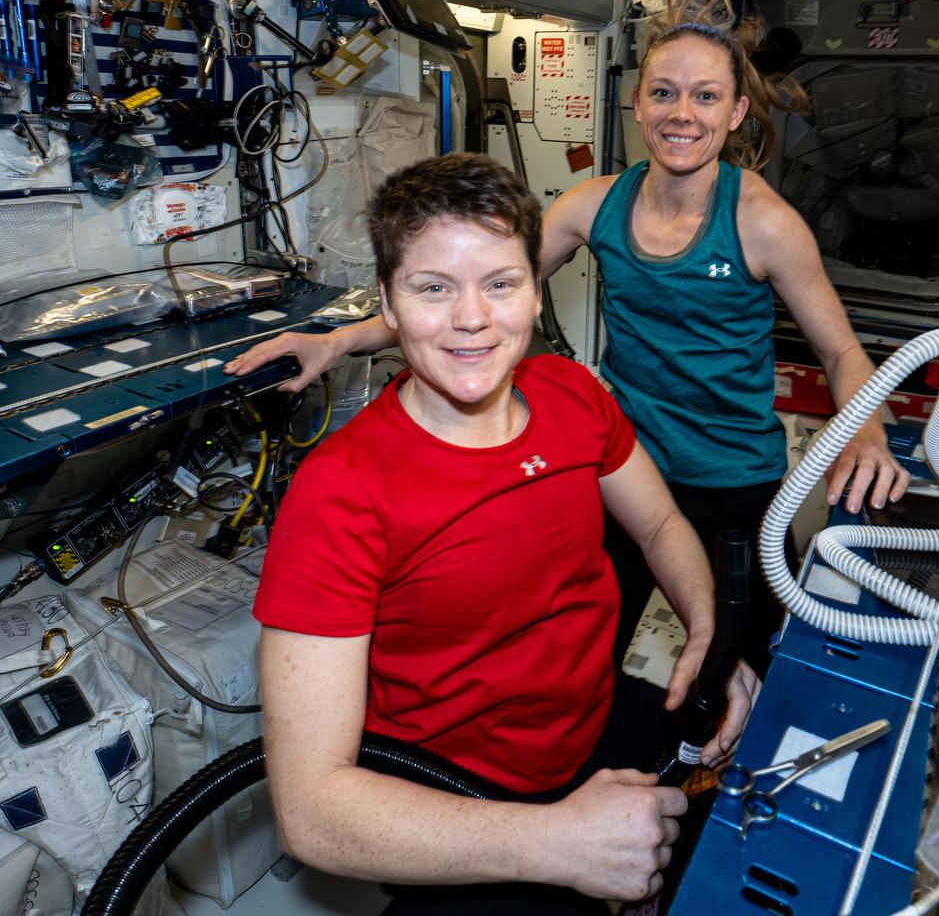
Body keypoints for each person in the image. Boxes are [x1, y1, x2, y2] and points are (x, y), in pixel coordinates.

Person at [230, 0, 909, 688]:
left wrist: (865, 430)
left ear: (735, 113)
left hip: (731, 479)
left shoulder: (763, 222)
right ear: (638, 103)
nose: (683, 114)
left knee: (749, 660)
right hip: (624, 470)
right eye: (665, 93)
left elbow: (841, 351)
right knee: (591, 649)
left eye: (706, 98)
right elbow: (477, 296)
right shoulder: (594, 205)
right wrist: (337, 342)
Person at [251, 153, 756, 914]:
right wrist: (558, 842)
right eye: (433, 288)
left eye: (500, 283)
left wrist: (706, 629)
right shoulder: (341, 493)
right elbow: (313, 814)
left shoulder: (573, 395)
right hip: (462, 794)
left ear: (535, 283)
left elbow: (658, 523)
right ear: (386, 303)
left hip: (597, 718)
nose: (472, 319)